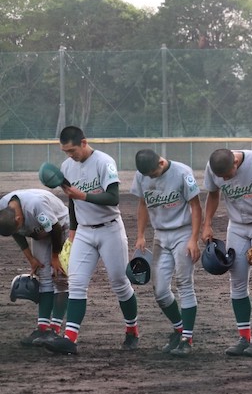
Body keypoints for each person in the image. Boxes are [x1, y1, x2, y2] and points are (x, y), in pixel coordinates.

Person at [43, 126, 139, 355]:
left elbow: (114, 197)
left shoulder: (104, 162)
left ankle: (132, 330)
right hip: (84, 232)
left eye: (72, 150)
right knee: (76, 283)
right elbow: (72, 201)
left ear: (84, 142)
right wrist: (74, 229)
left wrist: (83, 195)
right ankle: (70, 338)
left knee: (119, 283)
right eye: (65, 151)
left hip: (110, 230)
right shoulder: (67, 166)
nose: (69, 155)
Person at [202, 148, 252, 358]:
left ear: (235, 162)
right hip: (236, 226)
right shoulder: (213, 167)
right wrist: (207, 224)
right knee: (236, 281)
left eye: (227, 174)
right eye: (222, 177)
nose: (225, 179)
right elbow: (213, 194)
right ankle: (244, 336)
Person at [130, 149, 201, 357]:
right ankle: (179, 329)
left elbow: (196, 206)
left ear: (161, 163)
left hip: (182, 232)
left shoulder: (182, 172)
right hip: (161, 236)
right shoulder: (142, 175)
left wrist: (193, 239)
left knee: (184, 283)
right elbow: (142, 204)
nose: (150, 177)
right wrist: (141, 234)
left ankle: (187, 339)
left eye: (153, 173)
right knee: (160, 292)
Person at [0, 189, 69, 346]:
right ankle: (43, 328)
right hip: (38, 231)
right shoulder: (4, 209)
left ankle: (55, 329)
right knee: (44, 276)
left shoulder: (36, 206)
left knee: (60, 278)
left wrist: (55, 257)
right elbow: (15, 232)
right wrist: (31, 259)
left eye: (17, 226)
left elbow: (55, 229)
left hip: (61, 227)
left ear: (19, 219)